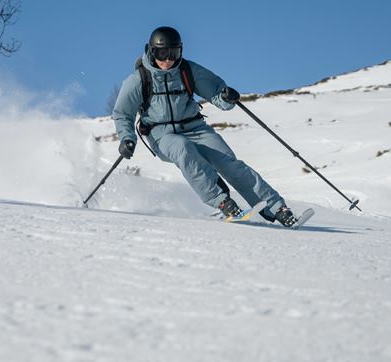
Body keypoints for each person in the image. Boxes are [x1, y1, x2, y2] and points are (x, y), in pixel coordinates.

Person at [111, 26, 295, 226]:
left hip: (196, 128)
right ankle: (222, 201)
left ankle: (277, 207)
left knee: (229, 162)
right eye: (162, 53)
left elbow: (216, 92)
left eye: (173, 53)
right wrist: (127, 138)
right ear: (151, 51)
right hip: (162, 135)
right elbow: (122, 113)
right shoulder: (139, 79)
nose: (168, 60)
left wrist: (227, 96)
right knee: (183, 149)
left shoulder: (187, 70)